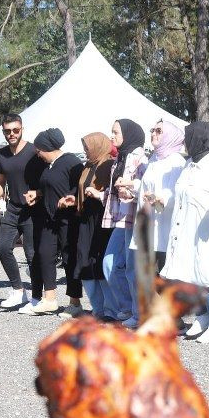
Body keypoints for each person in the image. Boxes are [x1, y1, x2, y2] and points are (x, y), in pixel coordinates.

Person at [161, 121, 209, 343]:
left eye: (188, 137)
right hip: (187, 229)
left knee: (208, 278)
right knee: (190, 276)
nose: (185, 142)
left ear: (199, 139)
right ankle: (202, 317)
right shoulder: (190, 163)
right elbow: (181, 193)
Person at [0, 113, 46, 309]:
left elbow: (48, 179)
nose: (11, 134)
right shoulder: (1, 154)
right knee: (2, 247)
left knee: (31, 254)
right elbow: (0, 180)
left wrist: (38, 193)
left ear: (22, 129)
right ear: (3, 132)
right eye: (7, 131)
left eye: (15, 130)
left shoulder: (34, 151)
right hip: (12, 209)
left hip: (32, 210)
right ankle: (19, 291)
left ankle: (37, 298)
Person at [20, 128, 82, 315]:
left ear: (47, 148)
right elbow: (49, 187)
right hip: (49, 220)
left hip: (67, 219)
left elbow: (79, 187)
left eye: (39, 150)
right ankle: (50, 299)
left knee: (69, 259)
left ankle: (75, 303)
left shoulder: (71, 162)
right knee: (44, 255)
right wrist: (37, 193)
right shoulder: (49, 166)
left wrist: (70, 198)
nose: (38, 155)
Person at [101, 119, 147, 327]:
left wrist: (129, 187)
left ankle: (138, 313)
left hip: (134, 218)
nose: (112, 136)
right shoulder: (122, 157)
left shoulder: (139, 157)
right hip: (121, 218)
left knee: (131, 268)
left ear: (128, 134)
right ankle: (128, 307)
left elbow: (147, 188)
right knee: (110, 264)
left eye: (115, 132)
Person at [132, 119, 185, 272]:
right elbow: (146, 188)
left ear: (170, 135)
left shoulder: (176, 161)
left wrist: (161, 199)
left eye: (159, 131)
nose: (153, 133)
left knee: (162, 280)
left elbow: (177, 194)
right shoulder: (154, 160)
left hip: (164, 230)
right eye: (152, 130)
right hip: (148, 226)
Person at [75, 132, 117, 318]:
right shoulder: (88, 166)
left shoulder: (108, 164)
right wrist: (75, 198)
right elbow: (82, 188)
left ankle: (110, 308)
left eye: (87, 148)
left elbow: (112, 191)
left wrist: (98, 194)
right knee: (84, 260)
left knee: (99, 261)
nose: (85, 151)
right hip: (86, 217)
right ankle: (97, 307)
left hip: (102, 218)